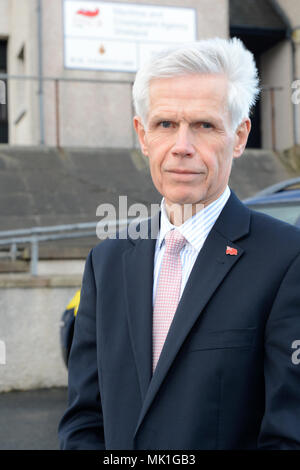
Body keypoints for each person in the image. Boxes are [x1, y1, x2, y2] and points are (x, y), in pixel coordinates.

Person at [58, 37, 300, 450]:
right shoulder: (107, 262)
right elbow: (84, 418)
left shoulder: (287, 259)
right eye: (165, 124)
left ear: (239, 137)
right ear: (143, 135)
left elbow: (287, 435)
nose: (182, 147)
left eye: (204, 126)